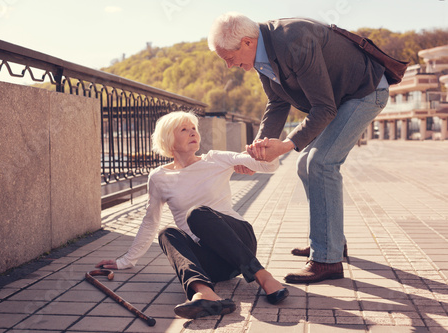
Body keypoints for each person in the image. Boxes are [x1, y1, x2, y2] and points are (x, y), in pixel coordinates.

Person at [208, 13, 389, 284]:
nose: (230, 65)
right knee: (306, 163)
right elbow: (277, 102)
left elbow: (324, 107)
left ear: (246, 42)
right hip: (340, 98)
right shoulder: (261, 54)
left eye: (229, 57)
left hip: (365, 91)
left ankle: (327, 260)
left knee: (320, 163)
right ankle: (331, 241)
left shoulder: (293, 40)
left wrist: (285, 146)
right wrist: (256, 152)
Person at [96, 111, 288, 319]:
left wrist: (264, 152)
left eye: (194, 128)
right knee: (166, 232)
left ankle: (263, 276)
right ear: (168, 140)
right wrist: (126, 261)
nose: (192, 133)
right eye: (184, 129)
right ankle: (204, 293)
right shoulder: (159, 177)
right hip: (216, 266)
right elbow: (150, 221)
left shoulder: (216, 158)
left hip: (240, 243)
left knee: (196, 214)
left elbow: (268, 165)